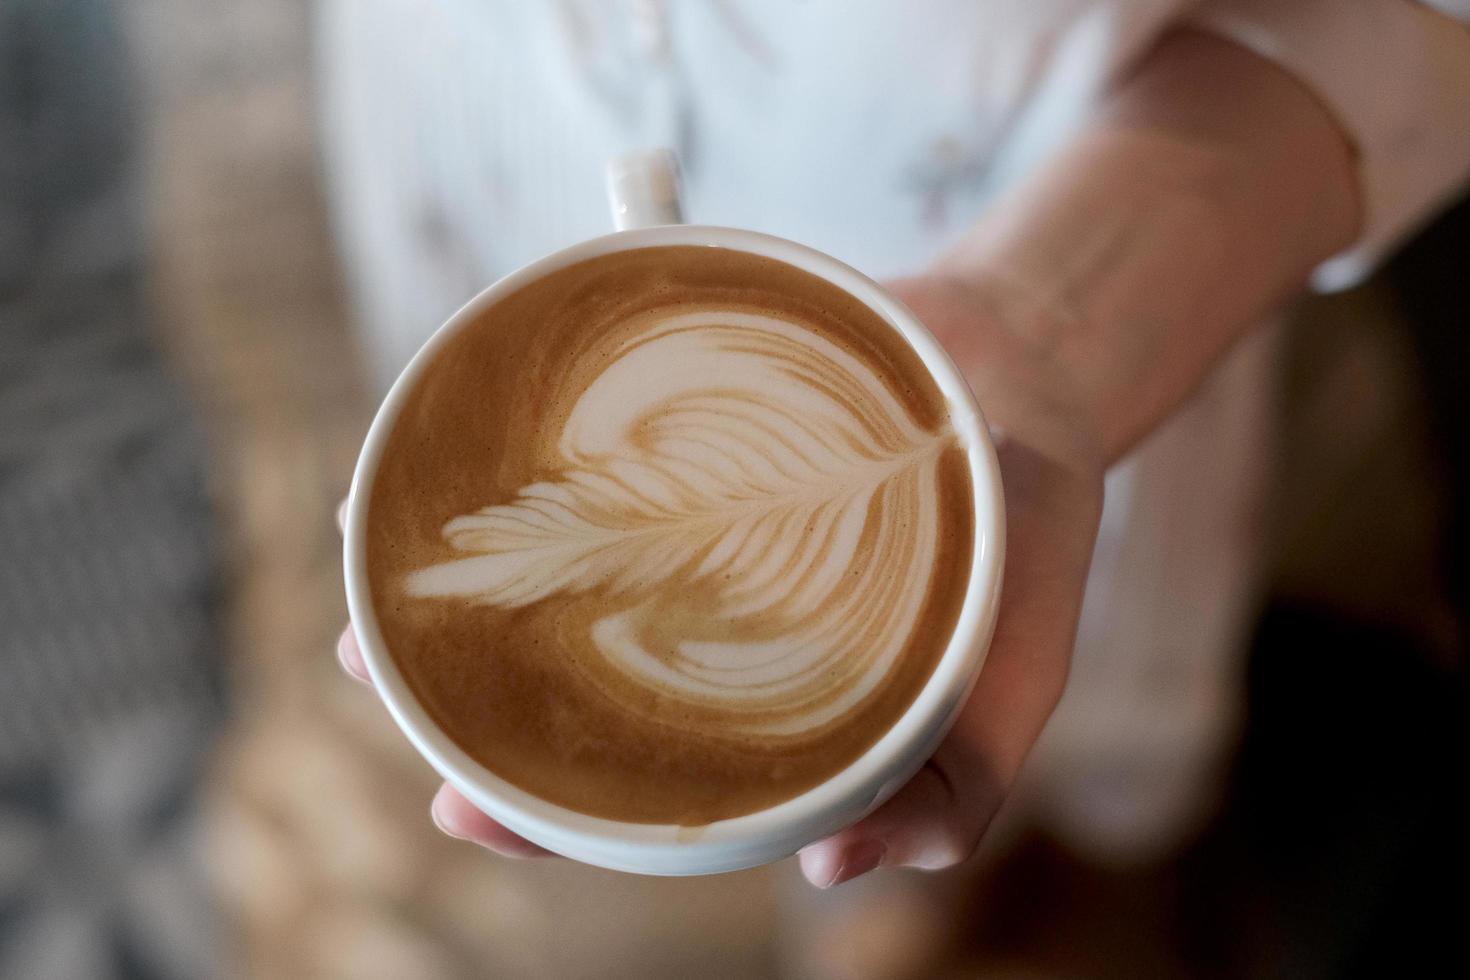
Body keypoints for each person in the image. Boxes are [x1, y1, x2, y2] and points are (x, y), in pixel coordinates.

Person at [326, 0, 1470, 890]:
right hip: (481, 172)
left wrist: (1045, 325)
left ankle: (1009, 889)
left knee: (1020, 762)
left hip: (1055, 328)